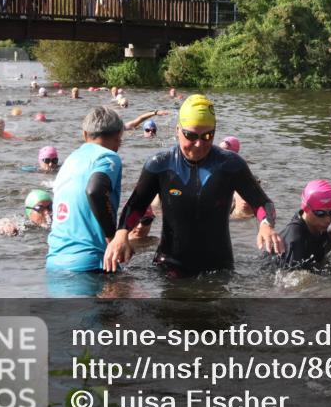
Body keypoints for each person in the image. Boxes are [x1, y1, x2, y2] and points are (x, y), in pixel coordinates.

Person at [103, 94, 284, 275]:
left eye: (207, 136)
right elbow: (136, 205)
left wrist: (266, 225)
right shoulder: (159, 164)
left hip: (218, 268)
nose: (198, 144)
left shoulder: (230, 165)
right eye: (190, 135)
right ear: (177, 130)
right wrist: (121, 233)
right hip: (169, 267)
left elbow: (262, 203)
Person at [45, 107, 124, 272]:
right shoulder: (108, 156)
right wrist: (112, 237)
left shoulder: (70, 160)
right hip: (90, 264)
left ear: (84, 134)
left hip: (55, 262)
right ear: (119, 136)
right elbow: (95, 190)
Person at [267, 180, 331, 270]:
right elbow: (289, 278)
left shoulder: (314, 226)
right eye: (320, 213)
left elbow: (317, 252)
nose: (328, 220)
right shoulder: (295, 241)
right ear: (305, 209)